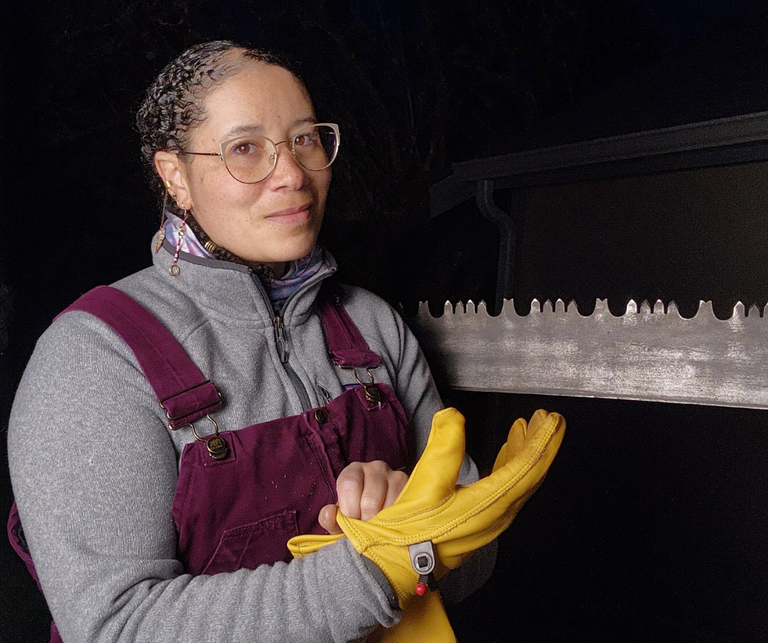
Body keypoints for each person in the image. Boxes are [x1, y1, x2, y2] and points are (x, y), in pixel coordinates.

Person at [7, 41, 499, 642]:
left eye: (305, 140)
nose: (292, 175)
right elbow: (116, 625)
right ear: (175, 177)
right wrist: (379, 566)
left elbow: (478, 558)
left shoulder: (374, 327)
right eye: (245, 148)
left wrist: (430, 529)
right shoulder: (96, 357)